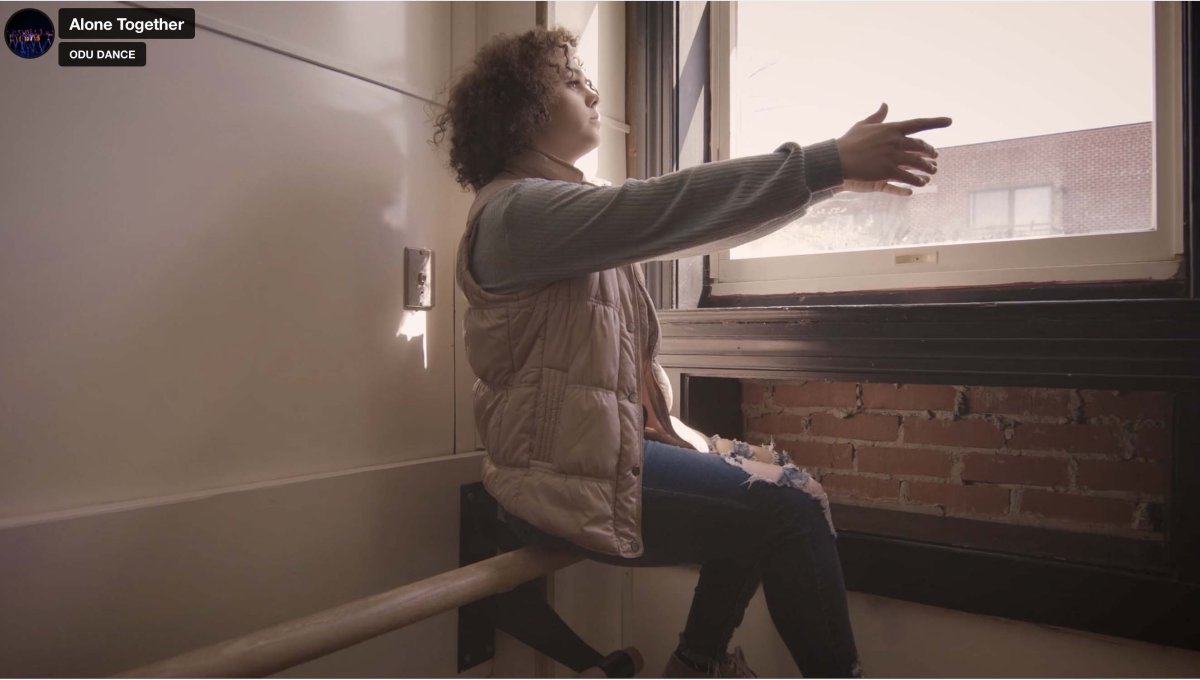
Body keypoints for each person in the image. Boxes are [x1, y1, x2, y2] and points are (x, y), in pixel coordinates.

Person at [432, 27, 950, 678]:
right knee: (792, 506)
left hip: (590, 459)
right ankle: (704, 663)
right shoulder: (518, 215)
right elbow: (672, 210)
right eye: (570, 80)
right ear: (523, 109)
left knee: (773, 487)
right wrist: (826, 164)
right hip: (555, 482)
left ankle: (696, 663)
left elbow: (686, 227)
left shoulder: (550, 212)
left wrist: (832, 177)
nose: (592, 93)